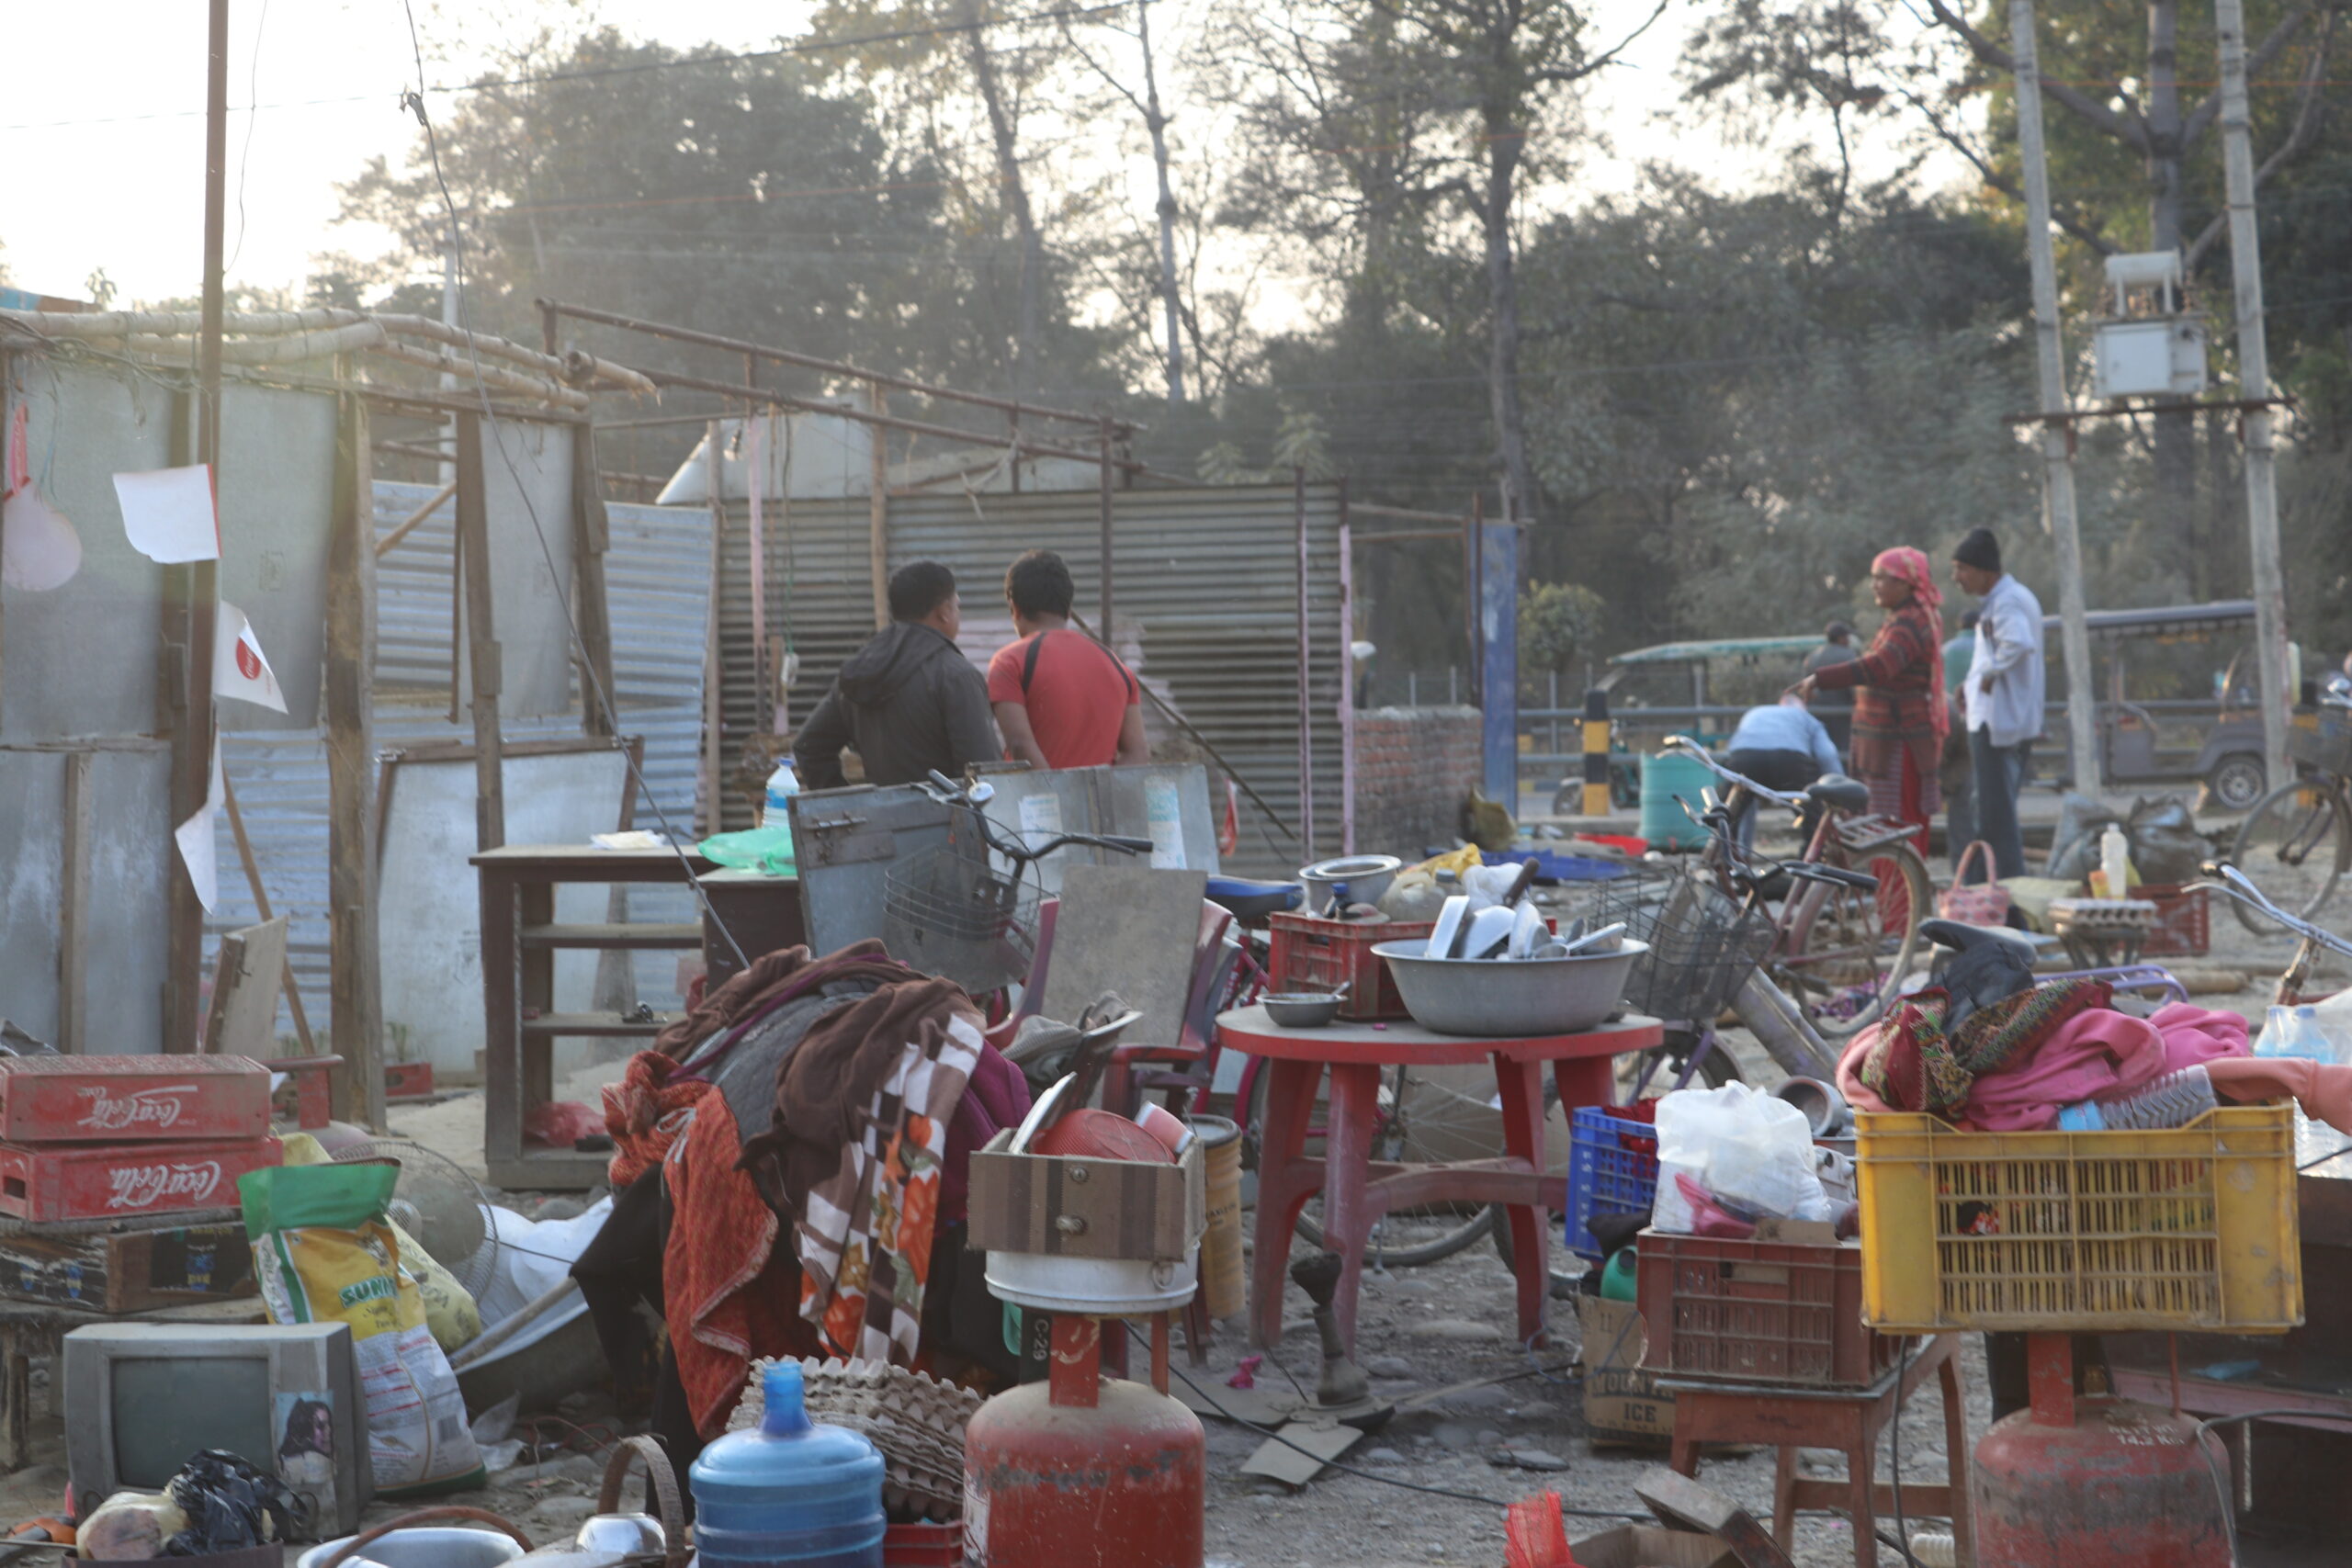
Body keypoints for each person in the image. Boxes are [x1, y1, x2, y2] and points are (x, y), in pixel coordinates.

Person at [793, 559, 1000, 790]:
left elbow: (809, 747)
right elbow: (985, 774)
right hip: (946, 822)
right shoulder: (956, 675)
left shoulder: (858, 672)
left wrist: (848, 807)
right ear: (943, 613)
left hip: (879, 824)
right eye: (956, 606)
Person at [1795, 547, 1949, 854]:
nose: (1874, 585)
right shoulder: (1903, 618)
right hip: (1890, 742)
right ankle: (1897, 900)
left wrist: (1821, 678)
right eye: (1874, 578)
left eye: (1883, 578)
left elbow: (1880, 666)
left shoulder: (1908, 622)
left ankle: (1902, 902)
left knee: (1894, 831)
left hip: (1897, 742)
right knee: (1887, 829)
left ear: (1905, 584)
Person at [989, 549, 1148, 771]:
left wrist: (1058, 798)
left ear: (1014, 608)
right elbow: (1138, 752)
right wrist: (1099, 796)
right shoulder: (1115, 664)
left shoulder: (1010, 662)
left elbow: (1020, 745)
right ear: (1067, 606)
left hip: (1039, 802)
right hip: (1102, 803)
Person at [1951, 527, 2044, 881]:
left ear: (1985, 571)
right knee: (1987, 812)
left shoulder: (2007, 601)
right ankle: (1977, 891)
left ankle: (2004, 899)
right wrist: (1971, 683)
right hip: (2003, 719)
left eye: (1963, 569)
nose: (1957, 578)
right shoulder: (2004, 599)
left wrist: (1989, 673)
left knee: (1996, 820)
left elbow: (2017, 644)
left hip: (1997, 722)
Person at [1722, 695, 1843, 851]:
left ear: (1781, 703)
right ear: (1801, 706)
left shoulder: (1755, 712)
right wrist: (1838, 790)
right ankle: (1811, 862)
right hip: (1790, 761)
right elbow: (1827, 755)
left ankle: (1728, 861)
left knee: (1730, 812)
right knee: (1812, 816)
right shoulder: (1805, 717)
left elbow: (1731, 748)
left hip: (1745, 759)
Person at [1941, 608, 1982, 867]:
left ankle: (1962, 866)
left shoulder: (1946, 651)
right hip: (1982, 726)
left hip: (1949, 720)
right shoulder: (1984, 647)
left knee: (1959, 803)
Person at [1801, 622, 1860, 761]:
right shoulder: (1848, 655)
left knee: (1821, 752)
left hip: (1817, 713)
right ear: (1840, 638)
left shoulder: (1813, 656)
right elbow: (1855, 687)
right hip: (1842, 714)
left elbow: (1806, 689)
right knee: (1843, 753)